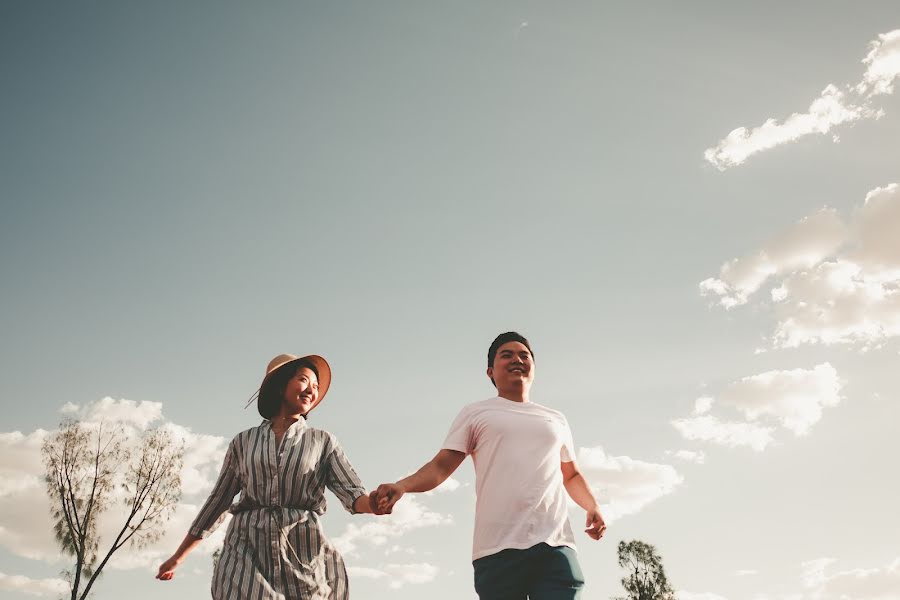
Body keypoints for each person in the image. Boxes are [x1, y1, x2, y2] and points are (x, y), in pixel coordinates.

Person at [372, 332, 606, 599]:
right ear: (490, 372)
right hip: (497, 550)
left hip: (555, 544)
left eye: (524, 355)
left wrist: (593, 506)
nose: (517, 359)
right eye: (507, 355)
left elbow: (571, 474)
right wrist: (402, 486)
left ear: (533, 367)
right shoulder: (476, 413)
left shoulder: (555, 419)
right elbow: (440, 466)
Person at [156, 353, 383, 599]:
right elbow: (218, 502)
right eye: (304, 380)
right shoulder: (243, 442)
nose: (312, 390)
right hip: (246, 550)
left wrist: (375, 503)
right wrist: (178, 557)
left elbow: (353, 494)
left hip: (301, 551)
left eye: (316, 386)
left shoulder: (323, 441)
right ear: (280, 385)